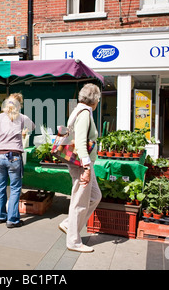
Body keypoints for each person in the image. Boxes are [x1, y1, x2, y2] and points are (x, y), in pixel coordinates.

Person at [58, 83, 102, 253]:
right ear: (95, 100)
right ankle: (74, 242)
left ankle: (69, 224)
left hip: (81, 162)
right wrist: (86, 167)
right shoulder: (84, 114)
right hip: (82, 163)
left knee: (95, 196)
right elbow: (81, 141)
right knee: (79, 202)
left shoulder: (79, 111)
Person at [0, 93, 35, 228]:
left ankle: (0, 216)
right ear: (19, 105)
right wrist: (23, 131)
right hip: (14, 156)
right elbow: (32, 127)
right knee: (15, 189)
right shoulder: (22, 118)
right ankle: (12, 220)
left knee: (0, 187)